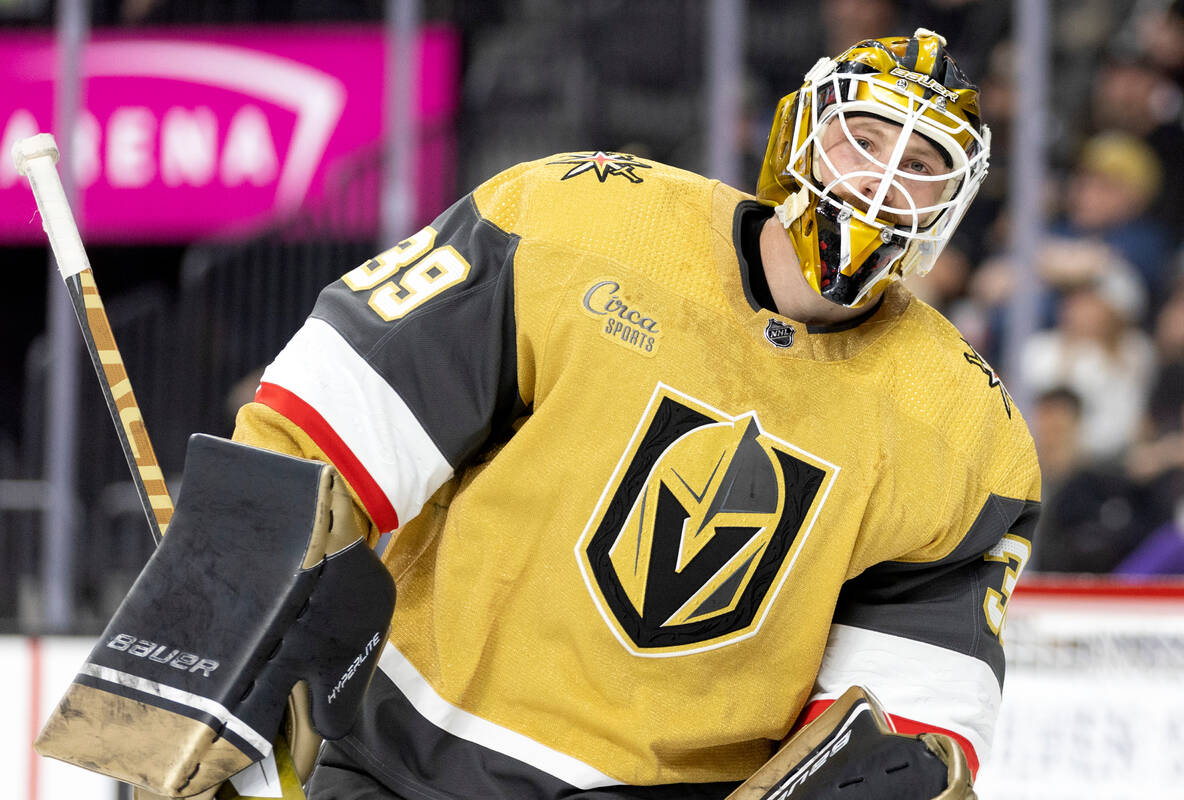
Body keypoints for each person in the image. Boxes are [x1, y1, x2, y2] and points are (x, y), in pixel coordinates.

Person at [227, 30, 1040, 799]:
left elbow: (910, 705)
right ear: (799, 134)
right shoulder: (576, 220)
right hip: (398, 761)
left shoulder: (968, 435)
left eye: (924, 162)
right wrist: (231, 594)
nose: (882, 176)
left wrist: (899, 756)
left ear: (953, 204)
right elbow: (337, 415)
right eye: (863, 136)